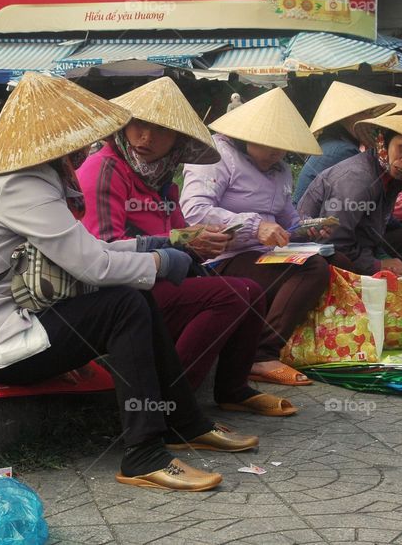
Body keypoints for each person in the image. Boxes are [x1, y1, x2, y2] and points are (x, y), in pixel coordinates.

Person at [0, 73, 257, 493]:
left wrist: (152, 247)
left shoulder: (30, 179)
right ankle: (144, 454)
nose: (88, 145)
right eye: (81, 136)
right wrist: (160, 261)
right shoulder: (21, 186)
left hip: (4, 326)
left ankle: (185, 421)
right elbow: (93, 266)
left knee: (130, 300)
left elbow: (87, 249)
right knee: (123, 304)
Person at [77, 77, 296, 416]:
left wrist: (202, 241)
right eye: (139, 125)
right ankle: (173, 406)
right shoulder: (105, 168)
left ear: (176, 141)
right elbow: (103, 249)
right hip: (116, 293)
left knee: (251, 291)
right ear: (124, 124)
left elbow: (179, 235)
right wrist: (183, 242)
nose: (145, 138)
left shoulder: (160, 181)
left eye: (160, 131)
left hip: (155, 280)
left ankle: (233, 390)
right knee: (232, 294)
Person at [181, 87, 346, 386]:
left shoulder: (280, 170)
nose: (277, 154)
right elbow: (194, 211)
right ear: (247, 135)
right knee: (311, 268)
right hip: (221, 258)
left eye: (283, 148)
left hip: (261, 256)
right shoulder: (215, 155)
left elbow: (288, 220)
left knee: (336, 259)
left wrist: (309, 227)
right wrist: (254, 226)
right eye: (271, 145)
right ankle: (260, 355)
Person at [297, 113, 402, 277]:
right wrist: (377, 264)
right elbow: (333, 241)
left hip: (356, 246)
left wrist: (385, 259)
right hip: (318, 255)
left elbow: (371, 234)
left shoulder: (390, 180)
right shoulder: (358, 178)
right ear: (384, 141)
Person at [292, 82, 397, 204]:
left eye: (370, 113)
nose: (370, 119)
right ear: (346, 117)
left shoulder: (331, 143)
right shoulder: (343, 151)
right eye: (364, 113)